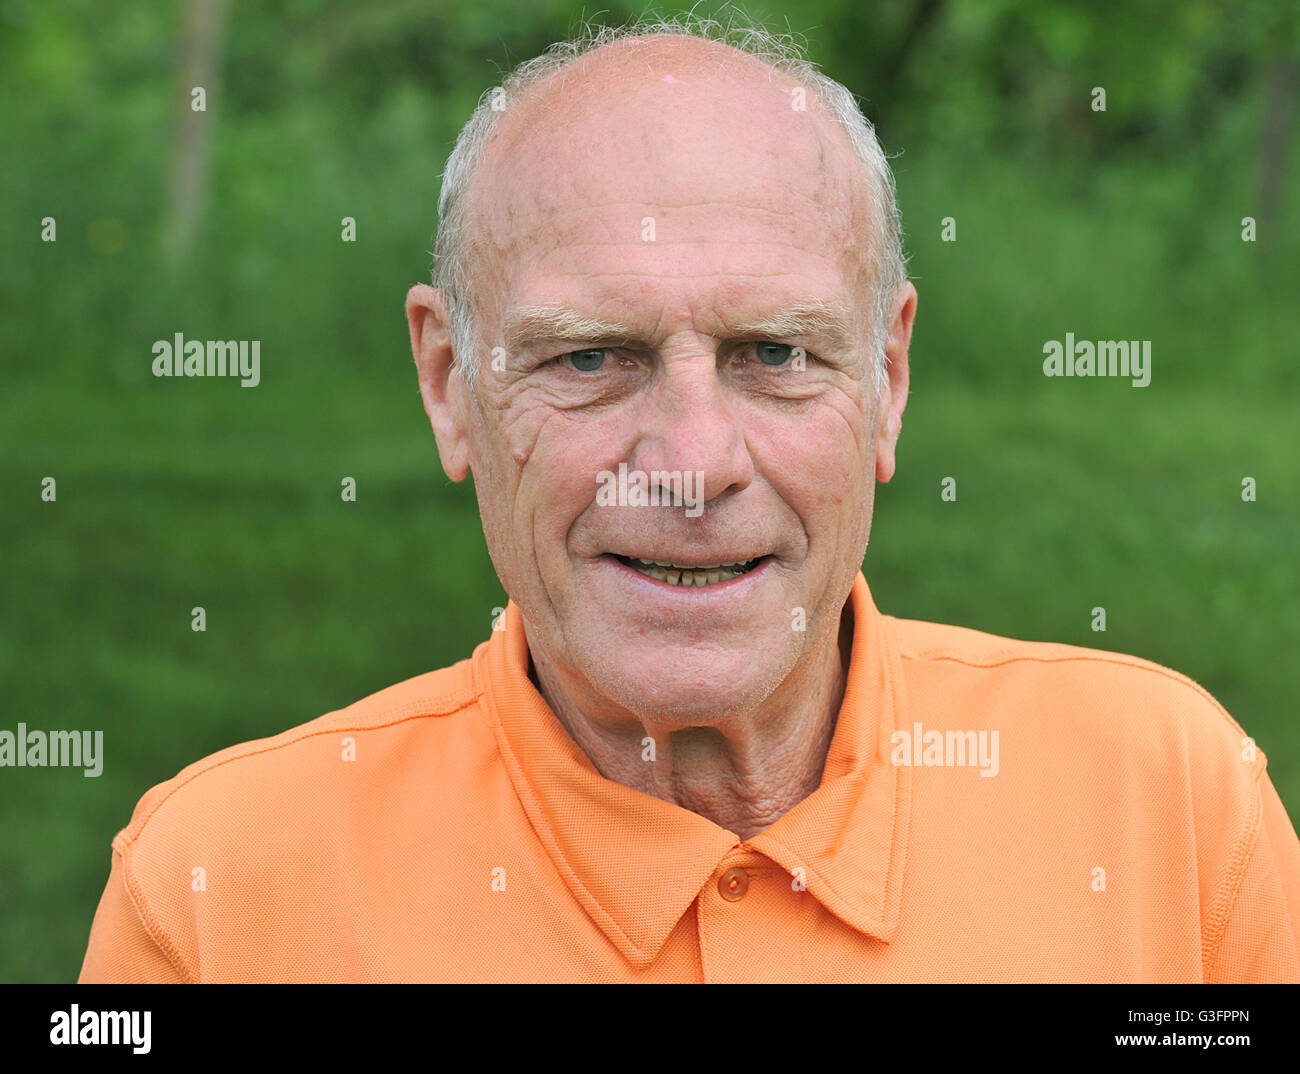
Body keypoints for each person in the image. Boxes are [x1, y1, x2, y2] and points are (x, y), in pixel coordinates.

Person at [80, 17, 1300, 983]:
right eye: (590, 357)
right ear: (449, 386)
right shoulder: (219, 894)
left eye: (774, 354)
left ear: (886, 379)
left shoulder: (1168, 805)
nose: (691, 461)